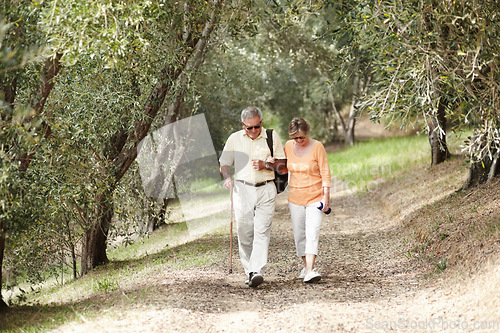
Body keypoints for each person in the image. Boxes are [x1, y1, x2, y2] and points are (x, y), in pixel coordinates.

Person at [219, 106, 286, 288]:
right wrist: (227, 178)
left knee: (262, 231)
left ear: (261, 123)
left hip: (266, 189)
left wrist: (266, 165)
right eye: (250, 128)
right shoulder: (234, 139)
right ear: (243, 125)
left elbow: (283, 167)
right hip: (243, 190)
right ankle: (249, 270)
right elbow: (224, 163)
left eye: (257, 126)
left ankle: (257, 270)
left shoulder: (271, 136)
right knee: (245, 232)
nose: (254, 131)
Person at [275, 117, 331, 283]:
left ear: (308, 133)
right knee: (299, 235)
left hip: (315, 197)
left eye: (301, 137)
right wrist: (272, 164)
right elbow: (284, 168)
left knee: (312, 232)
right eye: (295, 138)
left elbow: (325, 172)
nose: (298, 141)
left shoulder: (317, 147)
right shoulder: (287, 146)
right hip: (295, 199)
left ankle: (310, 271)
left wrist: (326, 196)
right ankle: (307, 267)